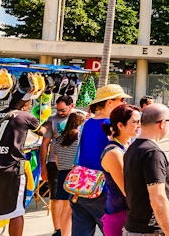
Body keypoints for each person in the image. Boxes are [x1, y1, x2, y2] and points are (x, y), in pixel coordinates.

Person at [0, 89, 47, 236]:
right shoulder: (26, 116)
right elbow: (42, 132)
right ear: (26, 104)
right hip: (11, 170)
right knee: (16, 213)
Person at [72, 84, 130, 236]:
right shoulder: (113, 126)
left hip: (81, 186)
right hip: (104, 189)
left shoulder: (87, 123)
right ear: (109, 102)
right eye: (121, 99)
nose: (124, 103)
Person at [123, 104, 169, 236]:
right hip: (148, 230)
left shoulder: (134, 148)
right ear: (162, 124)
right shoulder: (152, 153)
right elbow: (158, 198)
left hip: (135, 227)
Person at [40, 95, 85, 236]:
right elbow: (45, 144)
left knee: (69, 202)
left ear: (71, 105)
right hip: (62, 166)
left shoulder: (82, 118)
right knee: (58, 199)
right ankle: (58, 229)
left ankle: (65, 230)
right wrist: (43, 166)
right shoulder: (52, 120)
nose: (60, 113)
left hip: (69, 167)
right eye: (58, 110)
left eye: (63, 110)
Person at [100, 104, 141, 236]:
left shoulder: (127, 145)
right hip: (119, 217)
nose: (139, 125)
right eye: (134, 122)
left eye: (140, 121)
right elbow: (127, 190)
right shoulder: (114, 153)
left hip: (128, 214)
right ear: (120, 125)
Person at [51, 112, 85, 236]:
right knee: (72, 208)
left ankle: (63, 233)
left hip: (62, 173)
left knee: (65, 207)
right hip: (75, 174)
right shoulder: (79, 137)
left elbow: (56, 159)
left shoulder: (60, 138)